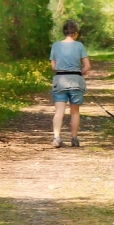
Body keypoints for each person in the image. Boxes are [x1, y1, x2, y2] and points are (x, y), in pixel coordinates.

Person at [49, 19, 91, 148]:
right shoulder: (79, 46)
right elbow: (87, 66)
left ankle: (56, 138)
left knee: (59, 112)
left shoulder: (55, 45)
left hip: (60, 80)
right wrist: (80, 72)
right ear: (76, 32)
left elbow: (53, 67)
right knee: (75, 112)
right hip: (75, 80)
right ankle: (74, 138)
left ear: (64, 32)